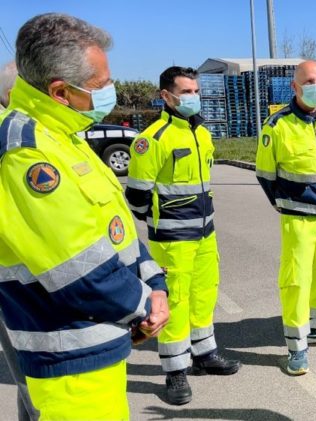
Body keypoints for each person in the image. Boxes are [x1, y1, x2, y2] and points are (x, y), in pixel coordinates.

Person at [0, 13, 169, 420]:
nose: (110, 91)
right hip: (69, 358)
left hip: (99, 340)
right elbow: (78, 268)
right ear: (60, 91)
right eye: (100, 85)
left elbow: (115, 230)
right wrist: (145, 307)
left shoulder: (64, 138)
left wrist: (155, 283)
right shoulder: (26, 153)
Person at [126, 66, 241, 404]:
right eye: (186, 91)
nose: (193, 97)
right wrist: (162, 220)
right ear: (166, 96)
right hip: (173, 239)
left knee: (204, 293)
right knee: (174, 301)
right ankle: (175, 370)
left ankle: (204, 354)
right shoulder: (153, 138)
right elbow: (136, 196)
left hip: (205, 233)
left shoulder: (201, 133)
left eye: (196, 91)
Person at [255, 60, 316, 376]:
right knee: (296, 281)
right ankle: (296, 347)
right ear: (294, 86)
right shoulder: (278, 125)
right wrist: (286, 204)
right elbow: (265, 174)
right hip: (298, 218)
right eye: (309, 81)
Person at [0, 60, 39, 421]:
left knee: (31, 387)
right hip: (25, 287)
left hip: (28, 285)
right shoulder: (16, 140)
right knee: (37, 387)